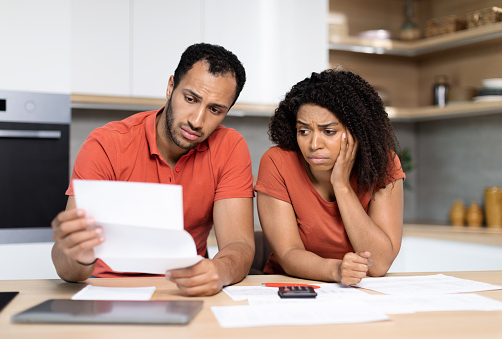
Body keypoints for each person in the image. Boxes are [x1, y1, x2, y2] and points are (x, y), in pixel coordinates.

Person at [51, 43, 255, 296]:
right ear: (171, 87)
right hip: (107, 291)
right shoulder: (107, 144)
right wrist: (77, 255)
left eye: (215, 110)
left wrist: (221, 270)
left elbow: (239, 244)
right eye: (190, 99)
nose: (197, 120)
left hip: (185, 291)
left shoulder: (229, 147)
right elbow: (68, 270)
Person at [254, 69, 405, 285]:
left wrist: (342, 186)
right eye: (304, 131)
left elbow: (379, 263)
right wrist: (335, 270)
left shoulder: (383, 163)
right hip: (290, 288)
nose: (314, 145)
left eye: (329, 132)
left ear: (357, 131)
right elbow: (288, 254)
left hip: (361, 291)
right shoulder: (278, 162)